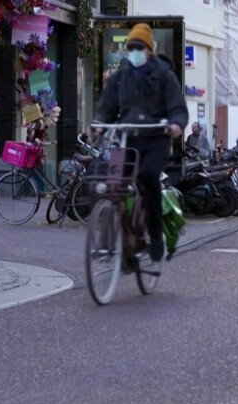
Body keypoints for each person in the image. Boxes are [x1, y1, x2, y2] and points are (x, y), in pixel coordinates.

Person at [94, 22, 188, 262]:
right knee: (112, 182)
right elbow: (107, 108)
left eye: (138, 47)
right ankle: (123, 236)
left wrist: (176, 124)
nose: (134, 52)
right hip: (128, 138)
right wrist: (98, 124)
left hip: (156, 140)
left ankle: (155, 235)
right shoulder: (120, 77)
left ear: (148, 50)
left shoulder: (165, 76)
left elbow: (178, 108)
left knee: (148, 176)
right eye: (131, 47)